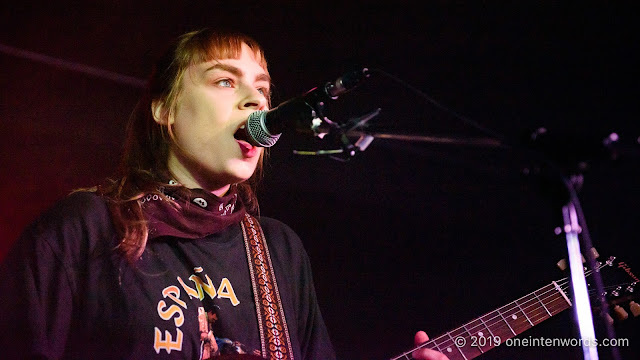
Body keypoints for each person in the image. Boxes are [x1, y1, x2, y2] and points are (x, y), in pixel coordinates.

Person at [0, 28, 447, 360]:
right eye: (226, 81)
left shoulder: (278, 252)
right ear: (166, 108)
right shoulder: (85, 229)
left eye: (263, 89)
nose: (256, 101)